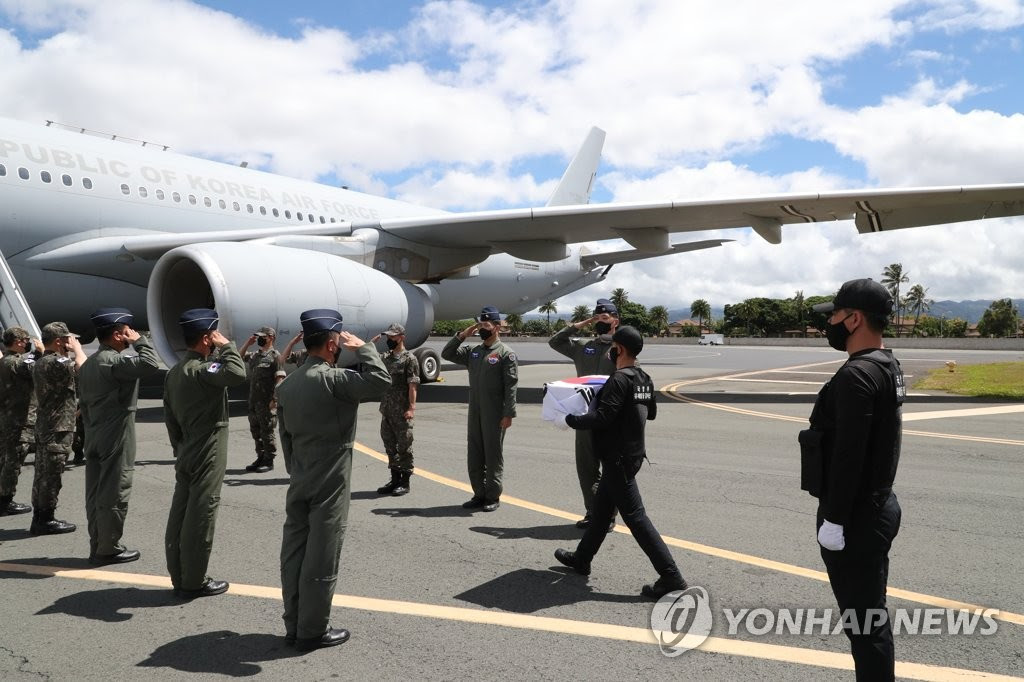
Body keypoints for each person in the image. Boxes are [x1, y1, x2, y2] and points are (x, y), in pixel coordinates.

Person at [805, 278, 905, 681]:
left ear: (854, 318)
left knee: (864, 626)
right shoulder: (886, 364)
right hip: (878, 505)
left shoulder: (856, 376)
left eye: (834, 315)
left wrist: (834, 519)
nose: (828, 322)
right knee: (870, 618)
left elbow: (849, 456)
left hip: (856, 516)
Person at [276, 309, 390, 651]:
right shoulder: (334, 380)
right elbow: (381, 382)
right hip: (330, 477)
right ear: (331, 343)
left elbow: (286, 441)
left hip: (300, 476)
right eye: (339, 342)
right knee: (322, 553)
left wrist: (298, 470)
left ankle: (293, 623)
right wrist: (365, 349)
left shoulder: (288, 384)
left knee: (294, 551)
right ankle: (312, 630)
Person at [553, 325, 688, 599]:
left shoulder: (619, 379)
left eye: (613, 347)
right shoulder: (643, 378)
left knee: (636, 518)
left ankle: (671, 575)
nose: (611, 351)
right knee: (602, 513)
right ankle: (582, 558)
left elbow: (603, 418)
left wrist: (569, 419)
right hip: (633, 455)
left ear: (620, 349)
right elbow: (650, 414)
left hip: (617, 459)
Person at [163, 308, 247, 599]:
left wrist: (180, 448)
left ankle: (179, 574)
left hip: (186, 447)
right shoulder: (203, 370)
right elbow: (237, 373)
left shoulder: (175, 372)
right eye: (213, 334)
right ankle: (194, 580)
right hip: (207, 447)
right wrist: (228, 346)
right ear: (206, 338)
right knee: (201, 514)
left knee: (181, 512)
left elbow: (170, 418)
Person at [78, 308, 160, 564]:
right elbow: (149, 364)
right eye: (126, 331)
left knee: (95, 492)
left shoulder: (91, 363)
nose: (131, 335)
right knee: (114, 490)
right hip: (115, 433)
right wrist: (140, 342)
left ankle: (98, 543)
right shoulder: (112, 363)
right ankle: (108, 548)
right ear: (116, 334)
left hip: (93, 433)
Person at [549, 297, 619, 529]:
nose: (600, 321)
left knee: (611, 469)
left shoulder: (621, 349)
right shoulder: (583, 347)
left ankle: (608, 515)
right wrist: (580, 324)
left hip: (611, 419)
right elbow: (555, 341)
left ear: (615, 321)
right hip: (584, 416)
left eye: (604, 318)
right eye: (596, 317)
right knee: (586, 469)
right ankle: (593, 512)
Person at [441, 305, 518, 512]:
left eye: (485, 325)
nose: (482, 328)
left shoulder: (505, 354)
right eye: (480, 325)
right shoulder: (473, 352)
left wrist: (509, 413)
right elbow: (447, 353)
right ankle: (479, 493)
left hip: (495, 412)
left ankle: (493, 496)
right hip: (475, 411)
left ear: (496, 327)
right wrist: (462, 335)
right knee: (474, 452)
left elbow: (511, 385)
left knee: (493, 455)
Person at [30, 321, 86, 535]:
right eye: (66, 339)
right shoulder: (57, 362)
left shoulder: (42, 361)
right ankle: (46, 519)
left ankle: (40, 517)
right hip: (57, 428)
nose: (70, 343)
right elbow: (82, 367)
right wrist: (78, 350)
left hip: (47, 425)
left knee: (42, 473)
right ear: (58, 340)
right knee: (52, 475)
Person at [372, 323, 419, 496]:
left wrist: (411, 408)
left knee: (404, 447)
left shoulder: (409, 359)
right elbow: (369, 358)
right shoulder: (386, 357)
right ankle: (394, 479)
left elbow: (412, 385)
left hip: (402, 411)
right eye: (388, 337)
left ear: (401, 337)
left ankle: (405, 482)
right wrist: (370, 344)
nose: (389, 340)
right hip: (387, 410)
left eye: (392, 337)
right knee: (389, 446)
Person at [0, 327, 42, 516]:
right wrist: (38, 352)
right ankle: (5, 501)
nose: (27, 343)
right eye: (25, 340)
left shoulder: (5, 361)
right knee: (13, 461)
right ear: (17, 341)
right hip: (18, 420)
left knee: (6, 459)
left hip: (8, 418)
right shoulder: (13, 362)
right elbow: (27, 366)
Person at [240, 326, 285, 473]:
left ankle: (269, 460)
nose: (259, 339)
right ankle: (260, 456)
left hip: (267, 401)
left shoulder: (275, 356)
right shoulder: (255, 355)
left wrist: (275, 399)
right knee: (256, 431)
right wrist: (248, 343)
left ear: (271, 337)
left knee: (267, 431)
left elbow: (279, 378)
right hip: (254, 400)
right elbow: (239, 357)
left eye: (262, 336)